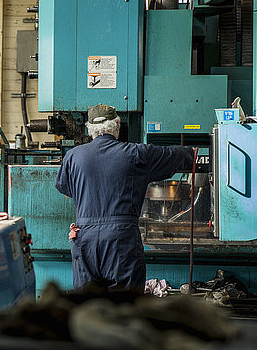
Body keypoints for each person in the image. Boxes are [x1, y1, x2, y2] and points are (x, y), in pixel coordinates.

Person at [55, 104, 194, 293]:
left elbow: (64, 186)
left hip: (84, 238)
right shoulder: (136, 154)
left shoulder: (72, 156)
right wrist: (190, 152)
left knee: (87, 306)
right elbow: (173, 155)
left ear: (89, 128)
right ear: (118, 124)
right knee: (124, 308)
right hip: (120, 239)